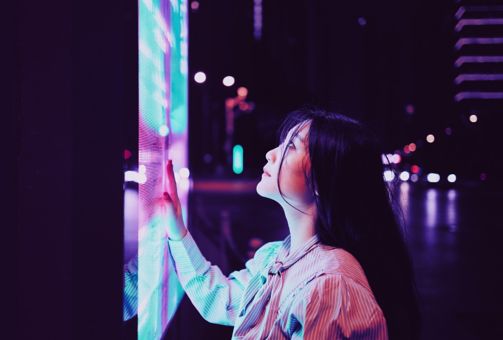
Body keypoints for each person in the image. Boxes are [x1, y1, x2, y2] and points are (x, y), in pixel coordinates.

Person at [128, 108, 421, 339]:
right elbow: (221, 300)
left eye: (291, 147)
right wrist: (176, 227)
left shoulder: (330, 286)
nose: (272, 153)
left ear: (322, 180)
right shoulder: (276, 256)